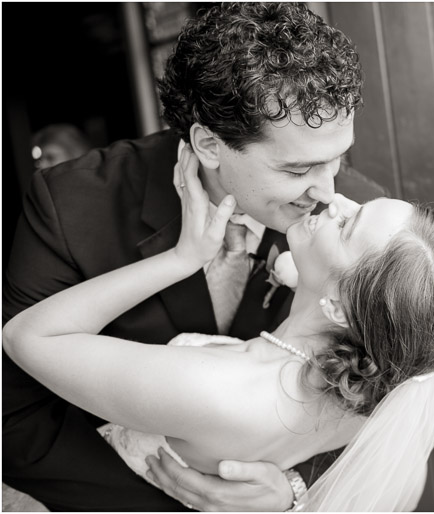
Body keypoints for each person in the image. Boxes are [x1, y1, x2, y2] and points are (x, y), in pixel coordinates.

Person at [3, 4, 388, 510]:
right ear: (208, 143)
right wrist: (185, 502)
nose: (328, 191)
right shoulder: (72, 205)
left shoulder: (352, 228)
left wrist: (294, 488)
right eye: (297, 170)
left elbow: (389, 405)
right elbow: (16, 419)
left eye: (337, 158)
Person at [3, 145, 434, 511]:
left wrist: (181, 260)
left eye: (348, 225)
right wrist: (295, 491)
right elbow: (406, 471)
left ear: (340, 308)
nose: (337, 198)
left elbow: (27, 337)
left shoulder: (212, 387)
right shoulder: (369, 383)